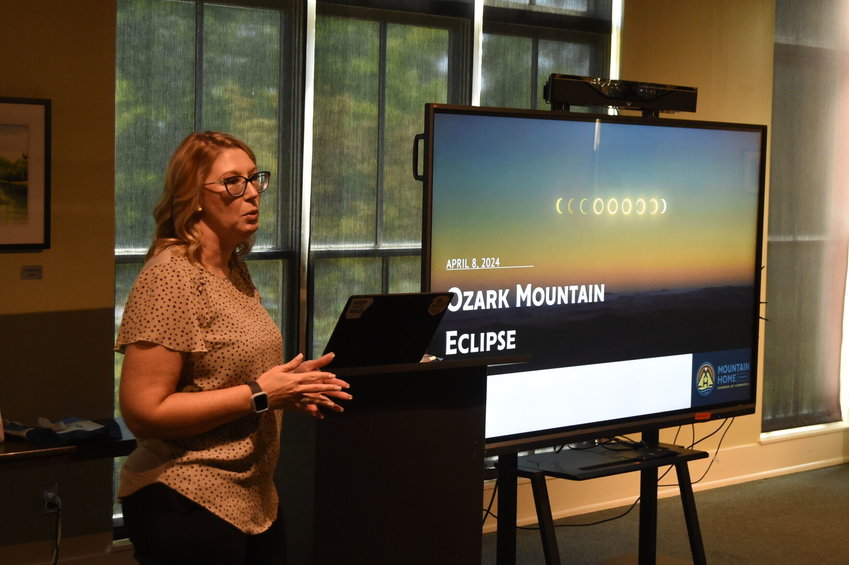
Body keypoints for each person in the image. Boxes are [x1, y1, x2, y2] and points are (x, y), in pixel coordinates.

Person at [116, 131, 351, 565]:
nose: (252, 194)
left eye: (254, 179)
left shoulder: (232, 268)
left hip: (254, 497)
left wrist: (290, 388)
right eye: (232, 182)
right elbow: (142, 412)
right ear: (195, 197)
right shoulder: (171, 276)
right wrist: (262, 393)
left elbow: (230, 378)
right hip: (185, 495)